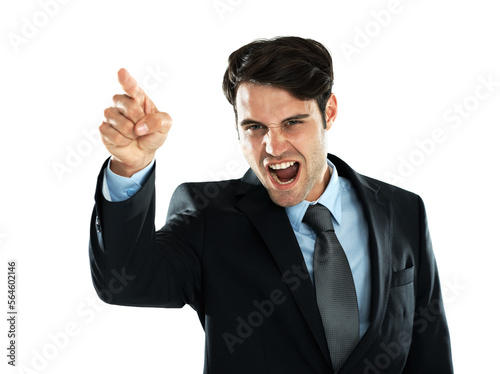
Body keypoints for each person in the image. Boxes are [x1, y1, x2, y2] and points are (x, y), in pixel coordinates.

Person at [89, 36, 453, 373]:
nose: (273, 147)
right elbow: (125, 284)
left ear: (329, 113)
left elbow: (429, 351)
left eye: (292, 122)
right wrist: (130, 167)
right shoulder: (207, 216)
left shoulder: (403, 211)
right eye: (255, 127)